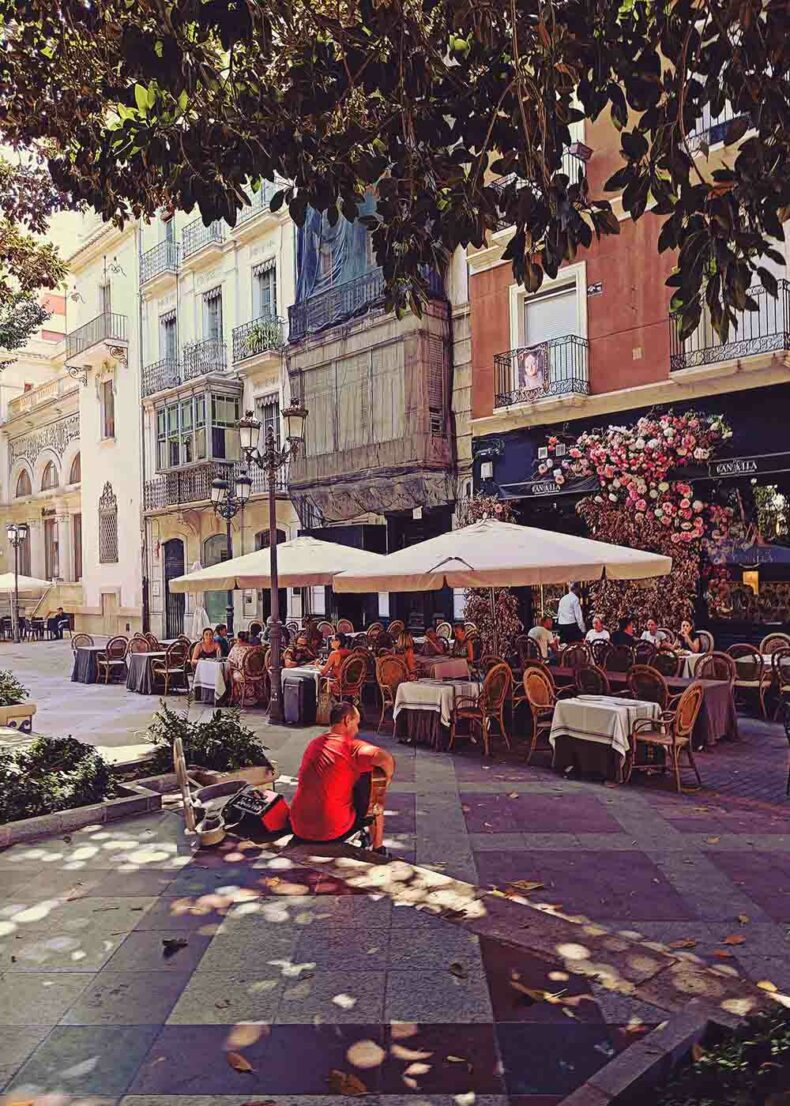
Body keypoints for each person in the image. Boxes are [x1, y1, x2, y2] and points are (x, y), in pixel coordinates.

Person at [289, 702, 395, 852]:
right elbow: (385, 759)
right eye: (356, 724)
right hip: (330, 831)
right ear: (347, 720)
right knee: (374, 776)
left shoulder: (314, 744)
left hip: (298, 826)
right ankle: (378, 848)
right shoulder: (351, 746)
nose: (357, 730)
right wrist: (387, 780)